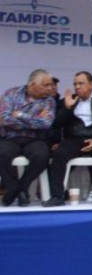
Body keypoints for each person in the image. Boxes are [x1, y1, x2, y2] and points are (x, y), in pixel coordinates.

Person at [48, 71, 92, 206]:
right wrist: (67, 108)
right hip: (75, 138)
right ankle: (57, 195)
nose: (77, 87)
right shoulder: (68, 101)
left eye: (81, 83)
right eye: (75, 84)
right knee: (59, 154)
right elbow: (56, 124)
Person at [1, 70, 58, 207]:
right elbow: (3, 119)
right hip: (9, 138)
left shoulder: (49, 101)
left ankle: (20, 189)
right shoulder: (11, 94)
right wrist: (35, 119)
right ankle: (16, 189)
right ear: (32, 85)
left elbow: (46, 124)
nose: (51, 88)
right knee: (1, 153)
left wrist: (20, 114)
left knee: (41, 155)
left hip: (35, 139)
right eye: (46, 85)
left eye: (51, 85)